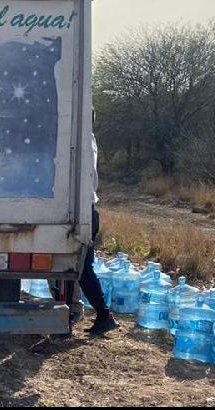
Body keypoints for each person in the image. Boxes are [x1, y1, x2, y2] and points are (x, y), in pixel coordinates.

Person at [80, 133, 119, 335]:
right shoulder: (89, 139)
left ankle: (104, 315)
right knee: (80, 268)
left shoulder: (83, 139)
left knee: (82, 269)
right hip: (86, 209)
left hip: (83, 210)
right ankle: (101, 314)